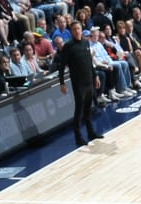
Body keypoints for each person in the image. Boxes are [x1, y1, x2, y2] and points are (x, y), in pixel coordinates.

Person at [54, 15, 102, 146]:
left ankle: (91, 132)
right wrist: (62, 83)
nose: (77, 31)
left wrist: (95, 76)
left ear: (81, 29)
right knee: (79, 110)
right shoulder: (68, 46)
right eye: (74, 29)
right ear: (71, 31)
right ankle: (78, 137)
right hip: (78, 83)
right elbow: (62, 66)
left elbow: (89, 62)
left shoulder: (86, 43)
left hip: (88, 81)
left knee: (88, 108)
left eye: (79, 29)